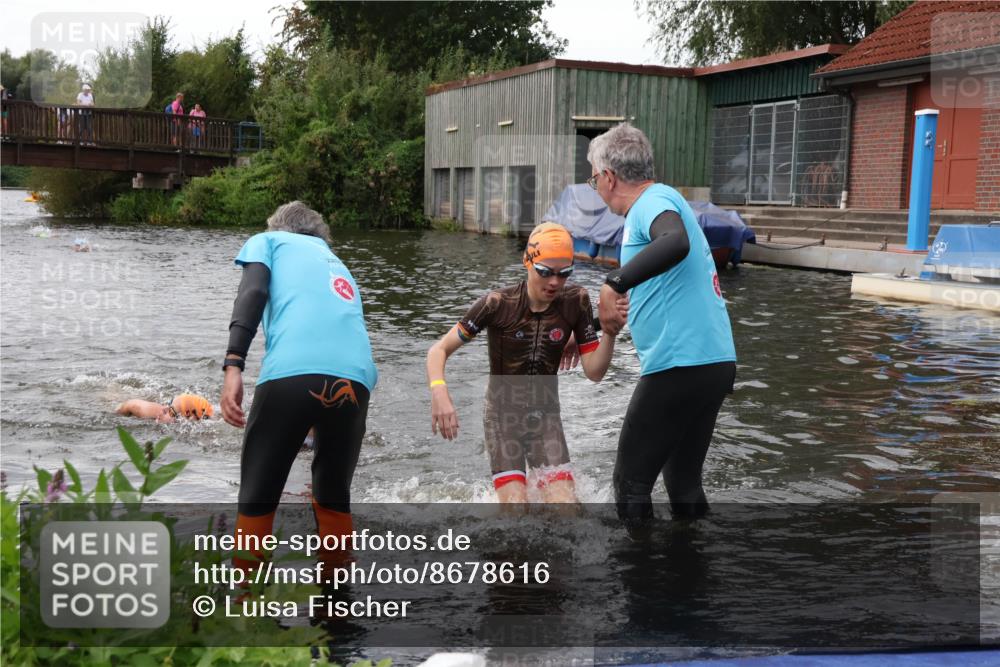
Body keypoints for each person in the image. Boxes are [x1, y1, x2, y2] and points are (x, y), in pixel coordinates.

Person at [588, 123, 737, 524]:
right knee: (683, 484)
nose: (596, 188)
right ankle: (688, 577)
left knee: (630, 485)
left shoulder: (652, 201)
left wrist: (613, 282)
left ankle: (641, 581)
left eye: (593, 179)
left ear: (609, 177)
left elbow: (674, 242)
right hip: (714, 363)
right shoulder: (664, 200)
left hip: (678, 367)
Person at [220, 201, 377, 571]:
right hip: (356, 380)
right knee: (333, 497)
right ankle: (336, 609)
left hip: (292, 373)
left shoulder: (269, 241)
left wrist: (233, 364)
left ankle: (247, 605)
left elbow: (253, 294)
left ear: (278, 226)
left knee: (259, 493)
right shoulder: (337, 263)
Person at [427, 222, 627, 504]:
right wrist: (440, 392)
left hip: (546, 419)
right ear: (527, 261)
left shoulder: (576, 301)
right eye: (546, 272)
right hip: (503, 419)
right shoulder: (497, 304)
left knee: (565, 512)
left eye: (564, 273)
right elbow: (438, 350)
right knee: (516, 512)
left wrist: (609, 331)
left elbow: (594, 372)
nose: (555, 282)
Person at [116, 394, 214, 422]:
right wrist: (118, 412)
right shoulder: (153, 411)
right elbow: (131, 404)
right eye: (169, 404)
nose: (164, 409)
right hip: (124, 400)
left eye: (171, 411)